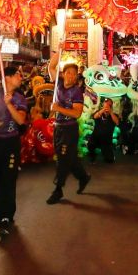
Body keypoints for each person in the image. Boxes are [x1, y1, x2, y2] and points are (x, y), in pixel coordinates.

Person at [0, 45, 27, 234]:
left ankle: (5, 216)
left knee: (9, 179)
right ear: (7, 77)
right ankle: (1, 214)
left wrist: (9, 105)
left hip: (10, 143)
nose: (20, 78)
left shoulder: (19, 97)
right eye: (17, 75)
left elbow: (21, 120)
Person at [46, 51, 91, 205]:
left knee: (62, 160)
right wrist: (59, 50)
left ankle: (58, 190)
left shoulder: (77, 92)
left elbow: (77, 113)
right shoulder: (58, 83)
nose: (71, 76)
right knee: (69, 159)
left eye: (74, 74)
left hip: (69, 130)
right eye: (69, 73)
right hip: (58, 127)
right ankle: (83, 177)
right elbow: (51, 66)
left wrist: (58, 109)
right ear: (64, 74)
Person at [86, 98, 119, 163]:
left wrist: (110, 112)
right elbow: (95, 116)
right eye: (105, 105)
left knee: (109, 160)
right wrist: (103, 109)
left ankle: (108, 155)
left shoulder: (113, 115)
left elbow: (117, 122)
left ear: (111, 106)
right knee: (90, 144)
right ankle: (93, 155)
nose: (106, 107)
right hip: (95, 138)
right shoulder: (99, 112)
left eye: (108, 105)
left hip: (106, 140)